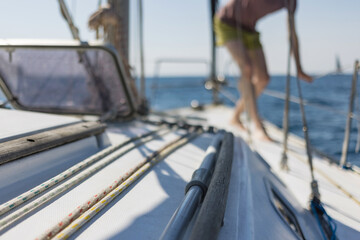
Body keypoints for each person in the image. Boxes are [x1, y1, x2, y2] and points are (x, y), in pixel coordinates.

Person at [214, 0, 312, 141]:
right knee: (247, 68)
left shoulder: (291, 2)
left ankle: (236, 116)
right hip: (227, 22)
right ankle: (257, 127)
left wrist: (298, 67)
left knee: (263, 78)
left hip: (249, 28)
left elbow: (292, 34)